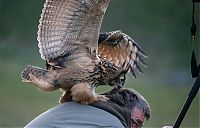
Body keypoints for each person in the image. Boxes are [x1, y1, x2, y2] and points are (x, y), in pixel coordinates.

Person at [25, 88, 151, 128]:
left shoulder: (97, 112)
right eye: (136, 124)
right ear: (126, 111)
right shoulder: (113, 124)